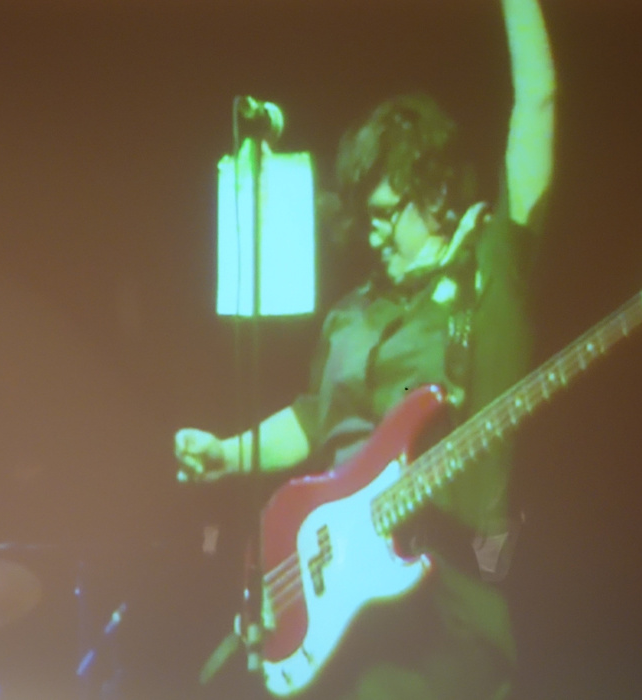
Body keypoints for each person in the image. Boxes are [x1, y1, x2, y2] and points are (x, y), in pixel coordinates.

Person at [175, 0, 555, 698]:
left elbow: (537, 106)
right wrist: (226, 453)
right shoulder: (352, 312)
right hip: (339, 600)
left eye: (385, 215)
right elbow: (310, 419)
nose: (372, 234)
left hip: (440, 601)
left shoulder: (490, 273)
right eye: (366, 218)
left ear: (433, 190)